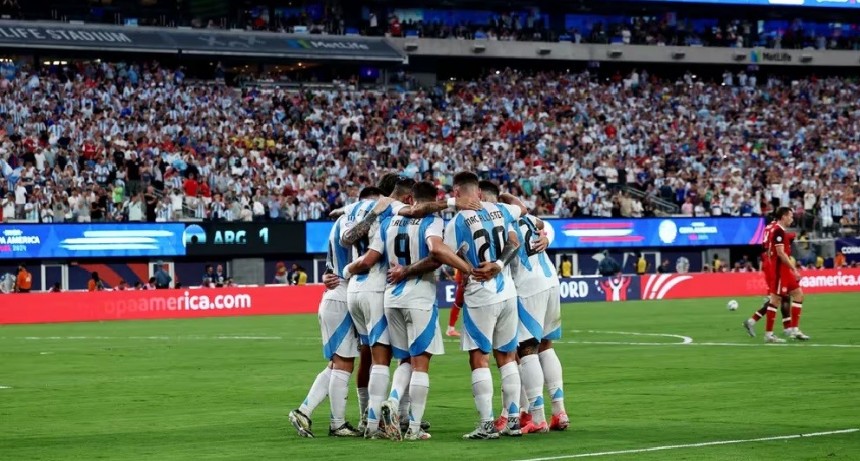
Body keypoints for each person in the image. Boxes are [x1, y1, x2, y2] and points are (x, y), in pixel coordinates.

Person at [368, 181, 461, 440]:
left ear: (410, 199)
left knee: (405, 360)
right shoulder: (432, 221)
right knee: (421, 363)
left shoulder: (392, 218)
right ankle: (414, 427)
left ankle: (392, 405)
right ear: (434, 200)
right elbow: (436, 252)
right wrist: (464, 266)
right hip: (419, 297)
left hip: (391, 298)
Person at [443, 172, 527, 440]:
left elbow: (442, 254)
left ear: (456, 193)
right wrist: (499, 265)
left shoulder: (457, 221)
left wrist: (466, 267)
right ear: (479, 192)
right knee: (507, 355)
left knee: (479, 357)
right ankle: (513, 421)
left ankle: (487, 425)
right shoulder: (501, 209)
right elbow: (516, 236)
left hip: (480, 293)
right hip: (507, 292)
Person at [479, 181, 567, 434]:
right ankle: (559, 411)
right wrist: (546, 237)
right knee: (546, 346)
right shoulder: (525, 217)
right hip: (550, 280)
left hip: (528, 288)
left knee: (525, 351)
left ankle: (536, 417)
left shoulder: (497, 221)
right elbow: (540, 224)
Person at [288, 208, 363, 438]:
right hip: (341, 297)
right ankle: (337, 424)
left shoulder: (341, 220)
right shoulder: (357, 222)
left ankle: (304, 411)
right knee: (344, 364)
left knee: (336, 364)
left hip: (334, 296)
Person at [764, 207, 810, 342]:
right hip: (780, 270)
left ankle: (795, 330)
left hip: (784, 270)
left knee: (798, 294)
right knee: (775, 300)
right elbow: (781, 253)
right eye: (790, 216)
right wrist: (794, 269)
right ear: (783, 216)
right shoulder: (778, 230)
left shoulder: (779, 230)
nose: (792, 218)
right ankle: (768, 335)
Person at [446, 269, 465, 337]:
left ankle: (451, 329)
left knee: (458, 304)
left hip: (464, 279)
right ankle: (450, 329)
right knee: (458, 304)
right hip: (464, 280)